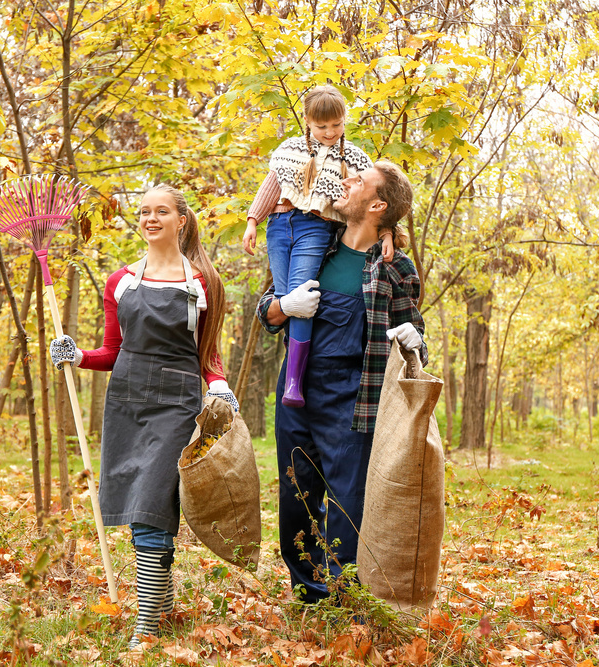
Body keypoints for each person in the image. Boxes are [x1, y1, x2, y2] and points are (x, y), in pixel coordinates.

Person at [50, 184, 238, 648]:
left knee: (154, 506)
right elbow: (113, 352)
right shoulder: (122, 281)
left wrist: (218, 384)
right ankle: (165, 605)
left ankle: (145, 627)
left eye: (161, 211)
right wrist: (77, 356)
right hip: (127, 400)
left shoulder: (202, 282)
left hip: (176, 403)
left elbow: (207, 351)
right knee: (140, 509)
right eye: (144, 211)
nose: (150, 219)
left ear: (181, 220)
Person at [256, 161, 427, 604]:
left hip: (356, 399)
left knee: (350, 503)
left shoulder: (396, 267)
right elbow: (267, 313)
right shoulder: (315, 242)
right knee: (298, 499)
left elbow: (416, 344)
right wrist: (285, 306)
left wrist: (414, 339)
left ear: (376, 205)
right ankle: (310, 596)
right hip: (296, 391)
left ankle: (345, 598)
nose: (345, 181)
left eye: (358, 181)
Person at [242, 84, 395, 408]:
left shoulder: (353, 158)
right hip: (280, 226)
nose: (329, 132)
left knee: (303, 294)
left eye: (336, 125)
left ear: (344, 120)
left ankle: (295, 382)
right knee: (286, 298)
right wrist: (253, 220)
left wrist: (387, 234)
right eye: (321, 126)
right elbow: (271, 187)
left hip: (315, 227)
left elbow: (373, 199)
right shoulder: (290, 150)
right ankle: (293, 373)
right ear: (308, 122)